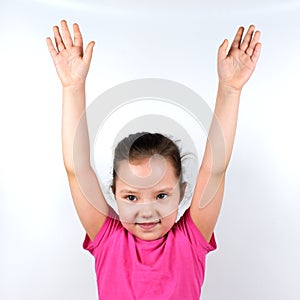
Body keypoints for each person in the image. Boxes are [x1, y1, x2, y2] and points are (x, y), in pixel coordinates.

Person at [46, 20, 261, 299]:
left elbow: (215, 168)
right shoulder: (109, 239)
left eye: (161, 195)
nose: (147, 211)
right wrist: (72, 87)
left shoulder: (189, 241)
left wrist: (230, 90)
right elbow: (76, 169)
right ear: (114, 194)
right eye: (131, 197)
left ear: (183, 192)